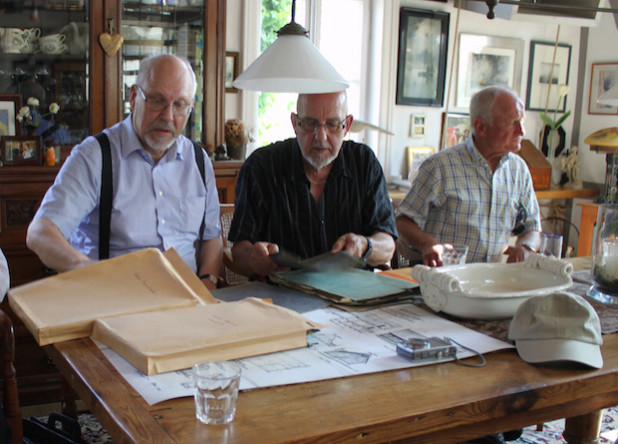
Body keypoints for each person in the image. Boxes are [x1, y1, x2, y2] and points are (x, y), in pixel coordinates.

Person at [26, 54, 222, 289]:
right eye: (157, 100)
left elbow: (211, 236)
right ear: (133, 97)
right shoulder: (95, 156)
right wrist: (87, 271)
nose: (168, 116)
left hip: (187, 300)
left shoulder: (198, 161)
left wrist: (207, 281)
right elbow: (40, 232)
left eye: (180, 105)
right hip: (113, 301)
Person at [228, 91, 396, 278]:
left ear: (346, 126)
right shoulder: (261, 166)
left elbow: (388, 245)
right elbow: (239, 251)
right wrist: (254, 258)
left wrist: (365, 245)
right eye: (310, 123)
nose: (321, 136)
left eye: (332, 124)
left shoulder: (364, 163)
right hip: (283, 298)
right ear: (295, 124)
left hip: (353, 299)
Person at [396, 86, 541, 267]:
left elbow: (532, 227)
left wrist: (526, 248)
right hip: (445, 280)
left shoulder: (519, 170)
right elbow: (402, 221)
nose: (522, 131)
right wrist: (428, 244)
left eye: (522, 122)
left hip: (493, 281)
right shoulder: (440, 167)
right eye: (512, 123)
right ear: (481, 127)